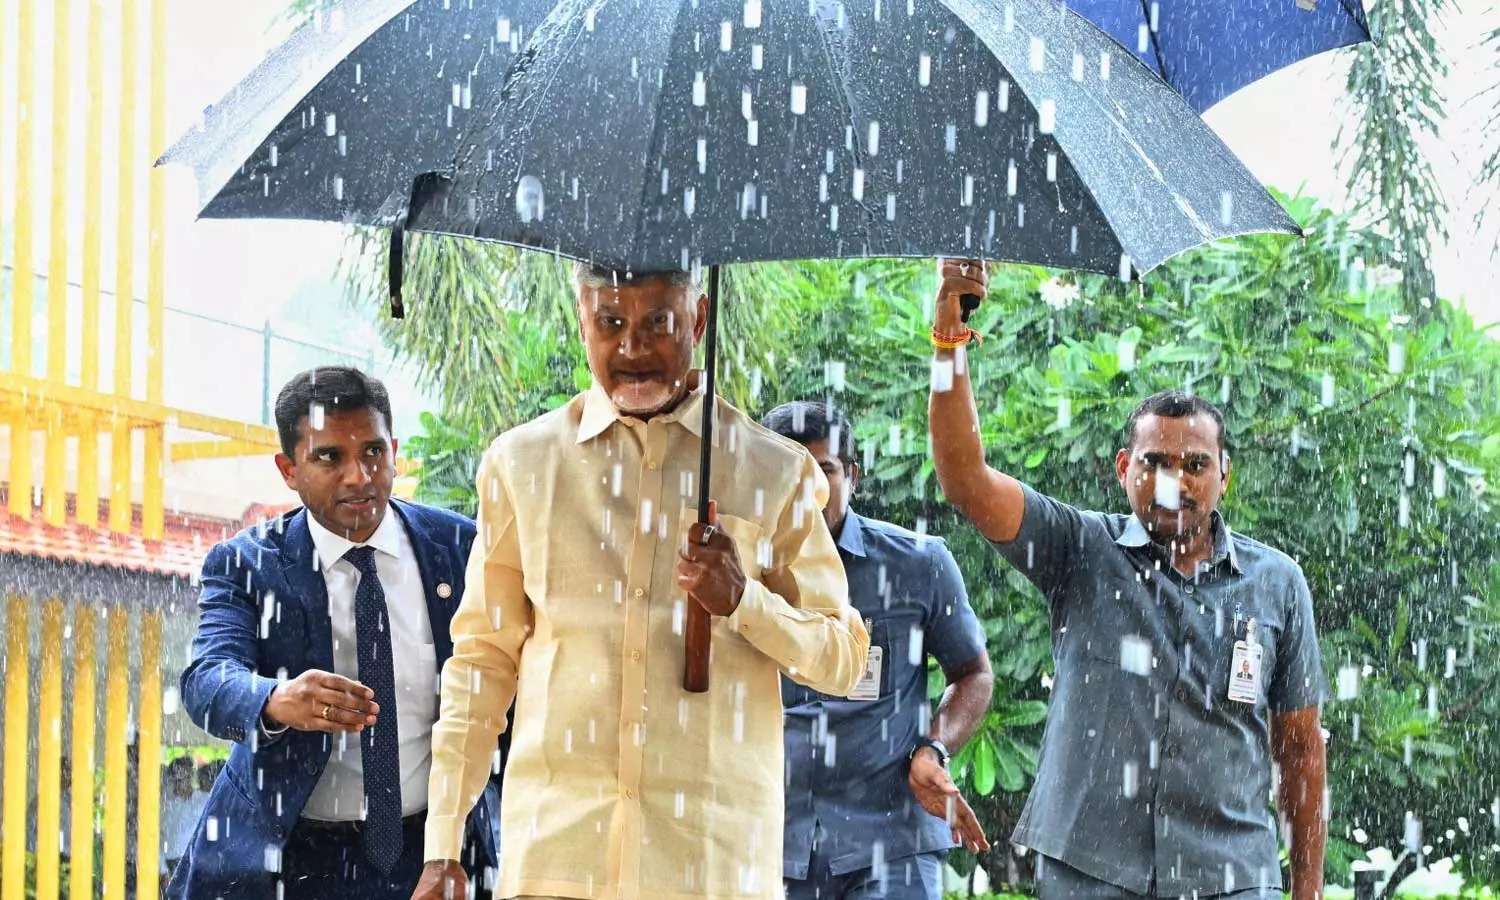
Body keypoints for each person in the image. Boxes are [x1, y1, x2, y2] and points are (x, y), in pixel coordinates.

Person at [411, 265, 870, 900]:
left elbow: (847, 662)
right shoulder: (522, 465)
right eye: (611, 323)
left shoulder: (774, 471)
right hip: (556, 862)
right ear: (581, 322)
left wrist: (744, 601)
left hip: (710, 870)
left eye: (658, 322)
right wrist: (442, 844)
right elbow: (482, 662)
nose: (632, 348)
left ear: (699, 320)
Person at [927, 259, 1329, 900]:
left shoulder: (1277, 583)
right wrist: (949, 339)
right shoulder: (1079, 548)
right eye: (1156, 462)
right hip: (1089, 869)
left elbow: (1302, 752)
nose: (1176, 480)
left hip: (1228, 876)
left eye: (1196, 464)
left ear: (1226, 473)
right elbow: (964, 478)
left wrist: (1307, 891)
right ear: (1122, 468)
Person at [168, 367, 501, 900]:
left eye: (373, 452)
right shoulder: (246, 564)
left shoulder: (460, 549)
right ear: (288, 469)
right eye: (329, 457)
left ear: (394, 450)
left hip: (434, 857)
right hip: (288, 862)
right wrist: (277, 700)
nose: (359, 476)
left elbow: (506, 682)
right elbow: (207, 680)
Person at [763, 401, 994, 900]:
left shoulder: (918, 564)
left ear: (853, 476)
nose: (806, 492)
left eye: (822, 471)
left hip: (891, 843)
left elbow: (974, 673)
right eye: (787, 473)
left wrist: (934, 749)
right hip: (769, 842)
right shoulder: (738, 578)